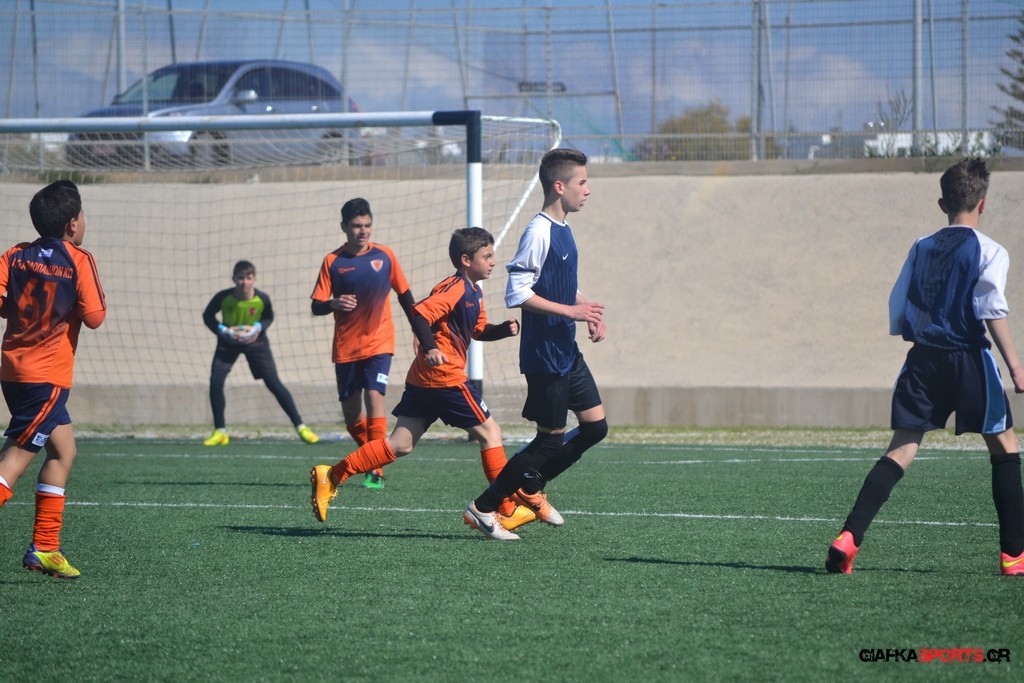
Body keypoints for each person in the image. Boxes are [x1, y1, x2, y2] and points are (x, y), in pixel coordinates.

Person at [825, 157, 1024, 576]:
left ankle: (849, 537)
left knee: (900, 449)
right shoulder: (991, 250)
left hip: (922, 361)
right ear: (983, 204)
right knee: (1005, 448)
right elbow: (992, 307)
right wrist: (1015, 366)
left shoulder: (921, 246)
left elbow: (899, 304)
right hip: (969, 360)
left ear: (942, 204)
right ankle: (1013, 556)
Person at [310, 227, 527, 539]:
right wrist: (431, 348)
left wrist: (503, 330)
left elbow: (478, 330)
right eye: (487, 256)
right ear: (466, 260)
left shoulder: (474, 291)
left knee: (400, 444)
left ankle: (331, 476)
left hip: (425, 379)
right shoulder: (455, 288)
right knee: (491, 433)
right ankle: (505, 509)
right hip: (444, 377)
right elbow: (419, 315)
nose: (493, 261)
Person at [464, 147, 608, 532]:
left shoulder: (564, 229)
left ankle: (531, 486)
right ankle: (484, 506)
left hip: (566, 350)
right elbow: (517, 293)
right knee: (548, 442)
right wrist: (571, 312)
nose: (587, 190)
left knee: (595, 427)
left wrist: (586, 308)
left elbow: (558, 284)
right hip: (544, 356)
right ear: (559, 186)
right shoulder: (538, 231)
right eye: (582, 182)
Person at [0, 180, 106, 579]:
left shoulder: (14, 255)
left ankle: (44, 548)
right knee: (13, 461)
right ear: (72, 223)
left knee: (63, 452)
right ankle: (43, 547)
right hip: (46, 378)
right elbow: (95, 318)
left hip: (13, 372)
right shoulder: (79, 259)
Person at [310, 198, 417, 489]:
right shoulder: (333, 262)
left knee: (374, 396)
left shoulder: (385, 256)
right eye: (357, 226)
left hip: (380, 343)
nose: (363, 231)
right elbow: (316, 305)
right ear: (344, 227)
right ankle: (372, 458)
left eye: (367, 225)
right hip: (346, 347)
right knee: (351, 413)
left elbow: (406, 296)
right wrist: (333, 303)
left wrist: (420, 332)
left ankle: (376, 469)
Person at [202, 260, 319, 446]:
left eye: (248, 278)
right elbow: (207, 316)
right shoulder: (223, 297)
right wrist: (223, 331)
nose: (244, 282)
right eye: (240, 278)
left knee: (273, 382)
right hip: (228, 343)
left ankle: (301, 427)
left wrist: (257, 328)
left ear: (254, 279)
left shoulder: (262, 298)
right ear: (234, 279)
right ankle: (220, 432)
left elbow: (268, 317)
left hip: (256, 343)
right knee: (216, 381)